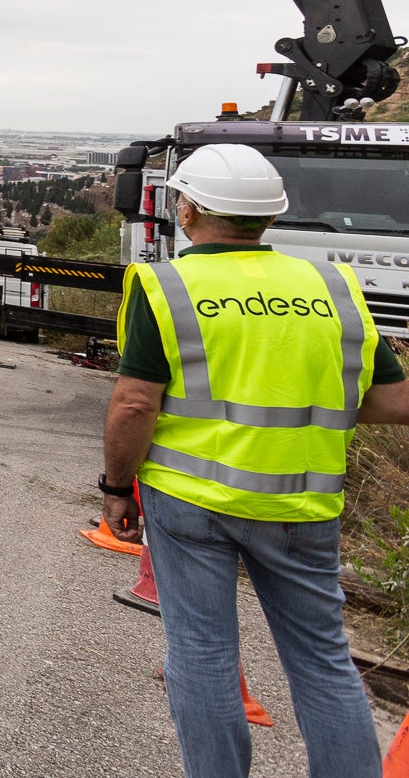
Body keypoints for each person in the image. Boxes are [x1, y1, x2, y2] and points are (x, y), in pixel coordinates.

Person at [99, 143, 409, 778]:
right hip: (302, 502)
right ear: (270, 216)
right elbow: (394, 401)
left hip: (189, 502)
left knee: (203, 653)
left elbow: (135, 405)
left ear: (187, 211)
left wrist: (116, 486)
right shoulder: (333, 284)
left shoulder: (167, 284)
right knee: (323, 660)